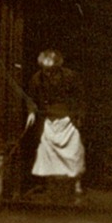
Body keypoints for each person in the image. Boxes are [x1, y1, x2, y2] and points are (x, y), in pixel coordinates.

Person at [26, 48, 85, 204]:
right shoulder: (37, 79)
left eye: (52, 70)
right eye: (45, 70)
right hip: (49, 120)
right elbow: (31, 98)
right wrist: (31, 112)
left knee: (73, 152)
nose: (48, 73)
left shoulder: (70, 77)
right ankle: (50, 186)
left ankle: (76, 184)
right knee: (47, 152)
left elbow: (79, 98)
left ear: (58, 66)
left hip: (67, 120)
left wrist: (77, 117)